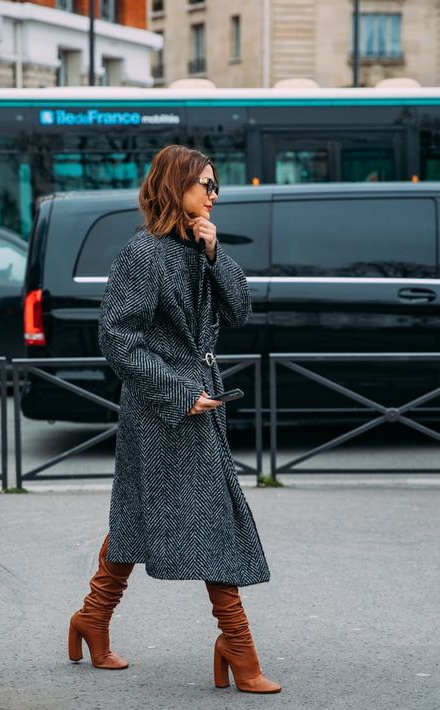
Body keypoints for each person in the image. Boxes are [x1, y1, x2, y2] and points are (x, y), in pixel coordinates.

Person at [68, 145, 282, 695]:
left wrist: (217, 257)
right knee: (214, 514)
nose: (214, 195)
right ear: (174, 185)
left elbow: (238, 312)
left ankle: (92, 617)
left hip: (202, 400)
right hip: (163, 405)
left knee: (141, 513)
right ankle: (238, 646)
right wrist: (178, 390)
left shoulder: (198, 247)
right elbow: (118, 336)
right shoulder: (143, 252)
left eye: (216, 186)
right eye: (205, 185)